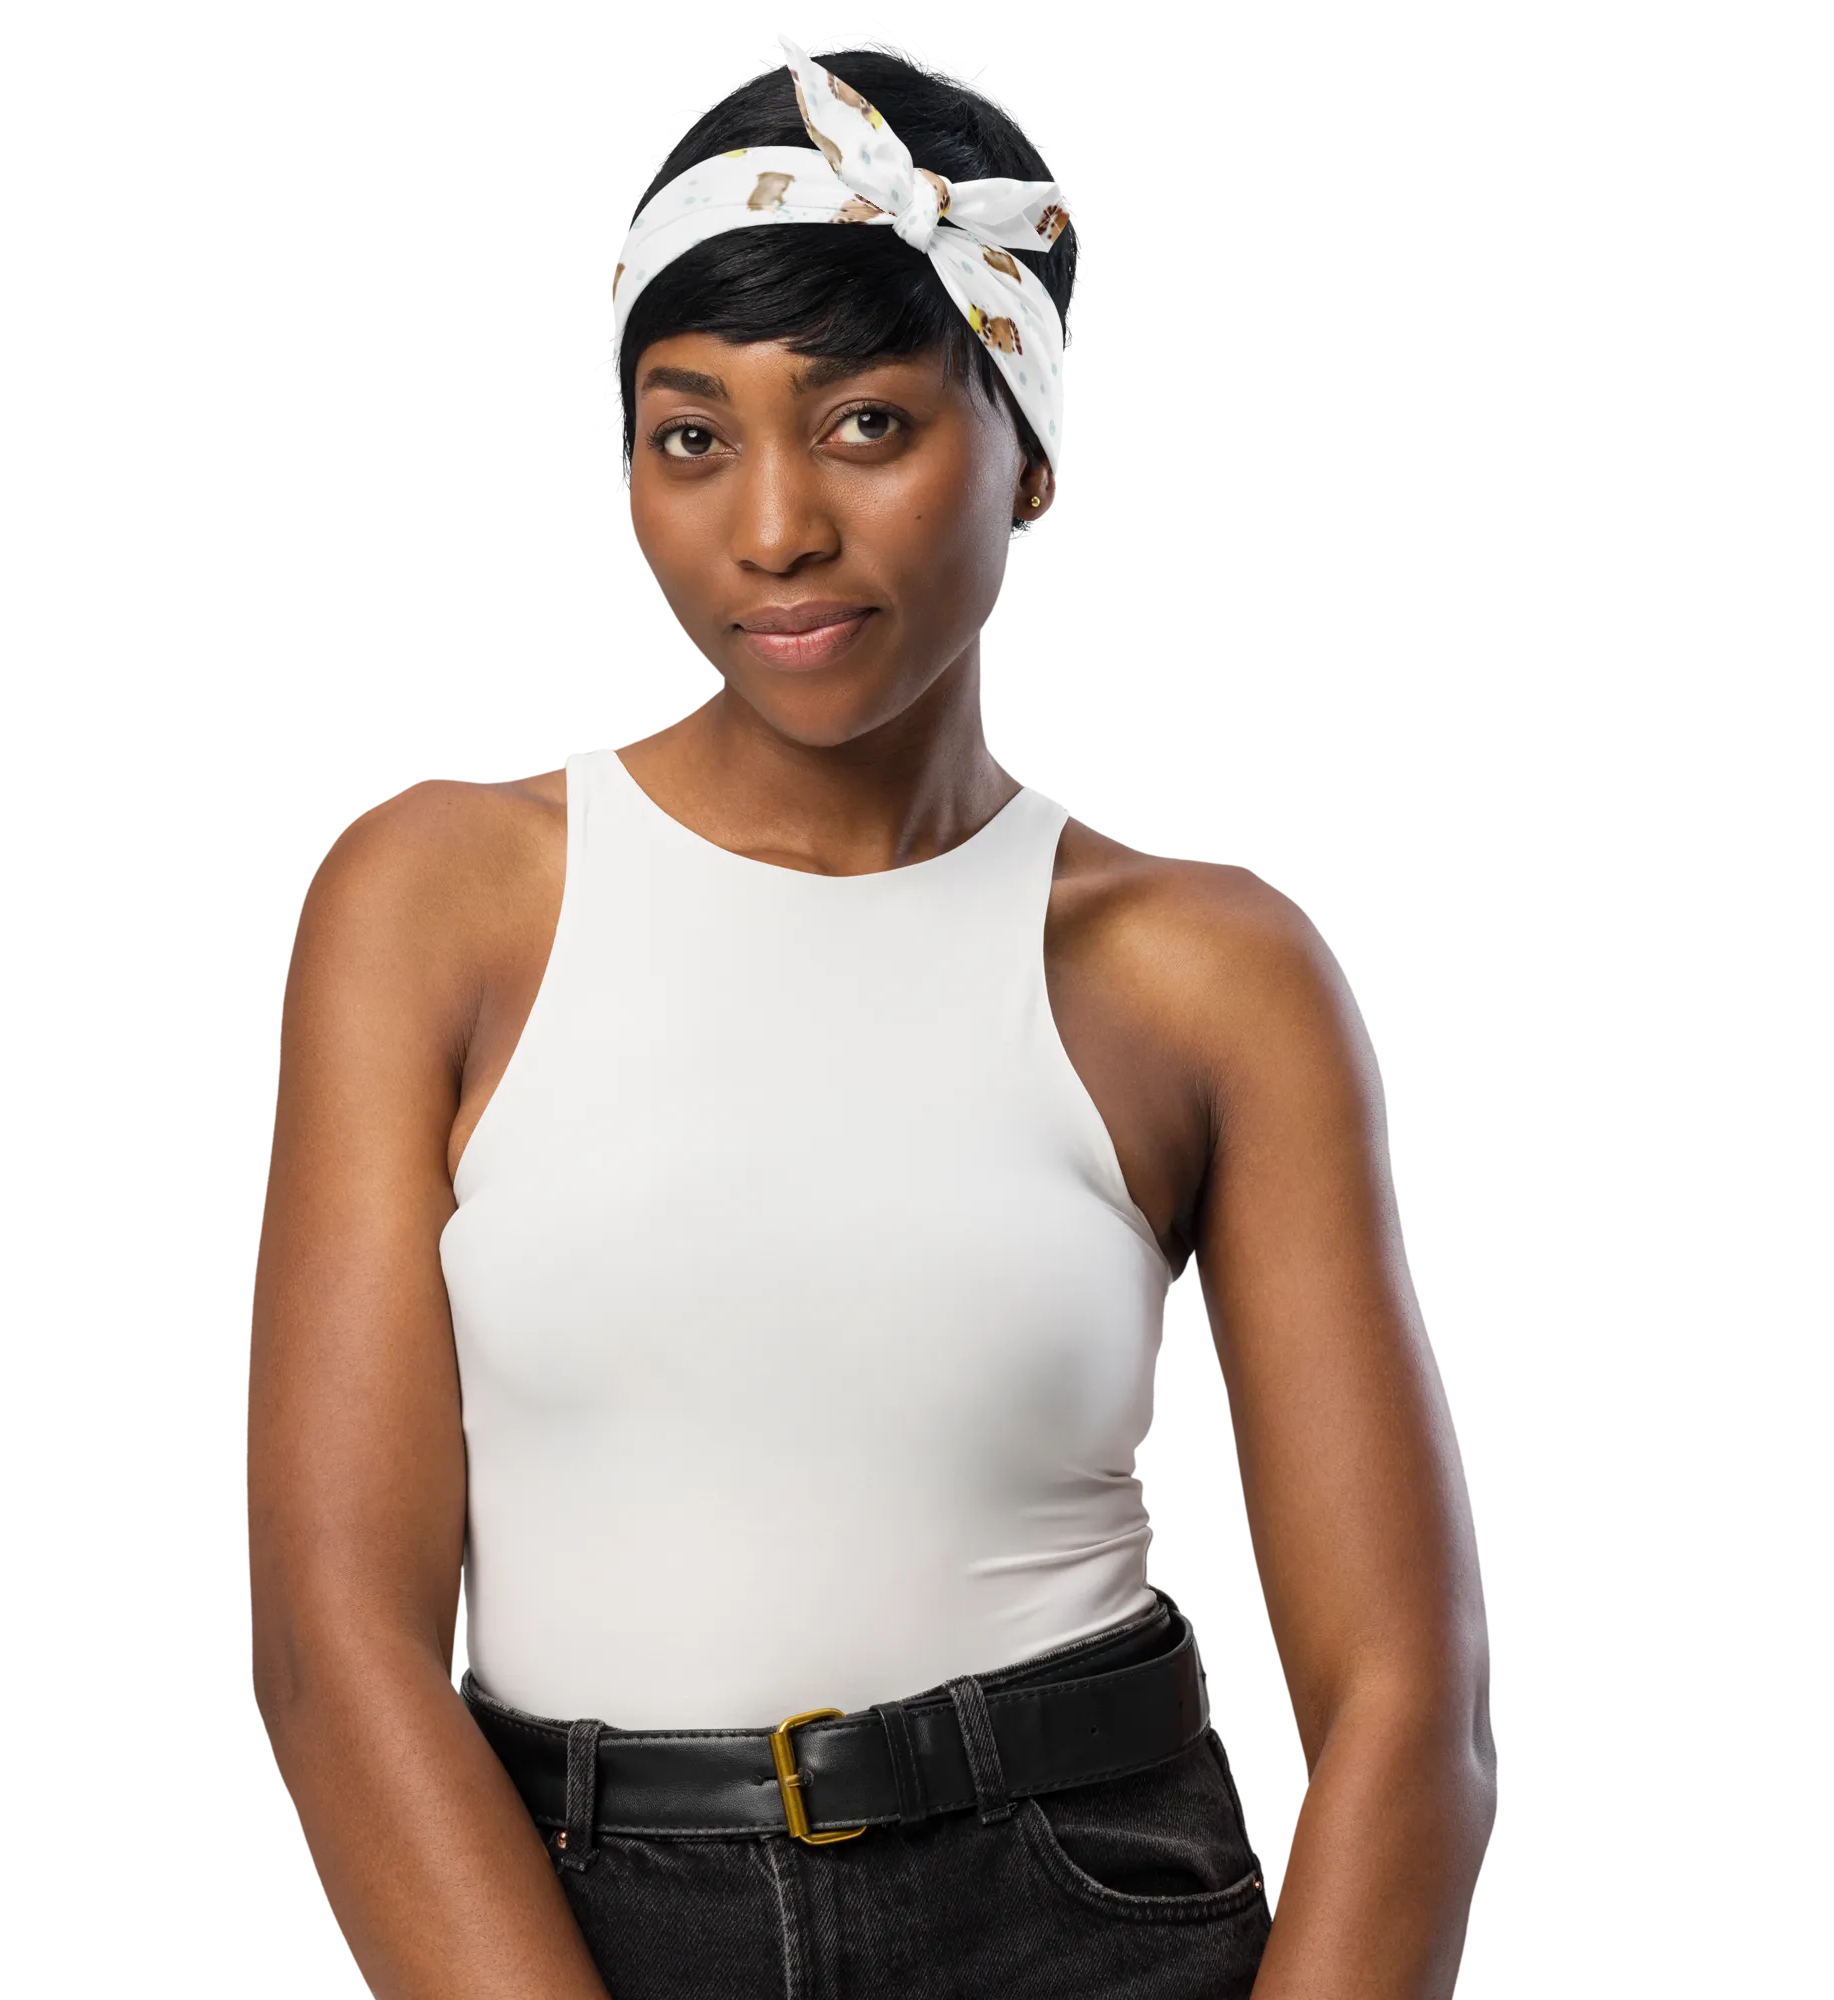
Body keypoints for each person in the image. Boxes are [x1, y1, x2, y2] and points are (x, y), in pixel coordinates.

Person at [247, 29, 1496, 2000]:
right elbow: (338, 1640)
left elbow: (1404, 1695)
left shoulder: (1204, 972)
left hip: (1086, 1910)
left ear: (1032, 444)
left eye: (867, 425)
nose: (773, 530)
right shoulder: (438, 903)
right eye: (693, 436)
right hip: (575, 1916)